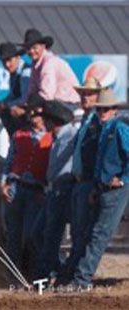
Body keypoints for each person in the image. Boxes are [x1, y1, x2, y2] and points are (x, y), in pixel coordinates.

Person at [71, 88, 129, 289]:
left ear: (114, 109)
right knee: (95, 233)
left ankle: (81, 279)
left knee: (99, 233)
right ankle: (81, 277)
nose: (102, 112)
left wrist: (122, 179)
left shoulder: (120, 128)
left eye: (106, 109)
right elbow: (99, 163)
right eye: (100, 109)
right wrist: (97, 185)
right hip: (105, 188)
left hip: (117, 189)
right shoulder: (106, 129)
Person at [0, 105, 52, 281]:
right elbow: (9, 160)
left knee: (31, 235)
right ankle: (14, 275)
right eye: (31, 112)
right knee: (13, 235)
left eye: (36, 113)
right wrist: (3, 182)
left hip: (37, 190)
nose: (32, 116)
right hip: (16, 186)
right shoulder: (19, 134)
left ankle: (33, 273)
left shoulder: (52, 137)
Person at [64, 77, 105, 280]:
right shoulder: (86, 120)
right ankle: (74, 272)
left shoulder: (98, 121)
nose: (85, 97)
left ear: (98, 96)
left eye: (89, 94)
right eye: (83, 94)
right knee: (78, 231)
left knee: (83, 231)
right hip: (79, 181)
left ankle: (78, 275)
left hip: (89, 181)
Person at [34, 100, 78, 284]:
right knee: (42, 233)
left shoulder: (69, 136)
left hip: (62, 189)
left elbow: (66, 166)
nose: (44, 122)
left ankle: (48, 273)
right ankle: (56, 270)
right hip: (56, 190)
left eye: (46, 119)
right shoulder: (62, 136)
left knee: (49, 234)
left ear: (54, 121)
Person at [17, 29, 80, 106]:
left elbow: (47, 95)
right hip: (57, 102)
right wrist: (20, 105)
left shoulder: (49, 63)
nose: (31, 51)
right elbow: (31, 91)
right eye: (28, 49)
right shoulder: (35, 65)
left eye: (34, 47)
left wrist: (26, 106)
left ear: (43, 46)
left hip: (69, 103)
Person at [0, 42, 31, 137]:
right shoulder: (14, 74)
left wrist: (4, 105)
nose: (7, 64)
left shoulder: (26, 73)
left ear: (18, 58)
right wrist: (0, 104)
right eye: (4, 61)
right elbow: (13, 95)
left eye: (9, 60)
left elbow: (25, 99)